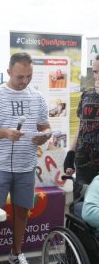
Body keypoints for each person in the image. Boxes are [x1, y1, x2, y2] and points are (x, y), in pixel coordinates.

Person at [0, 52, 51, 264]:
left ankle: (16, 253)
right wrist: (6, 133)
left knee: (22, 212)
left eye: (29, 76)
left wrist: (44, 137)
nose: (24, 81)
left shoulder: (37, 97)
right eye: (19, 77)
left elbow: (44, 127)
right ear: (9, 72)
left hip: (26, 166)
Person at [64, 54, 99, 199]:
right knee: (80, 204)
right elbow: (81, 126)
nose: (97, 76)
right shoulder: (86, 95)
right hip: (84, 162)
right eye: (95, 72)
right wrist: (71, 154)